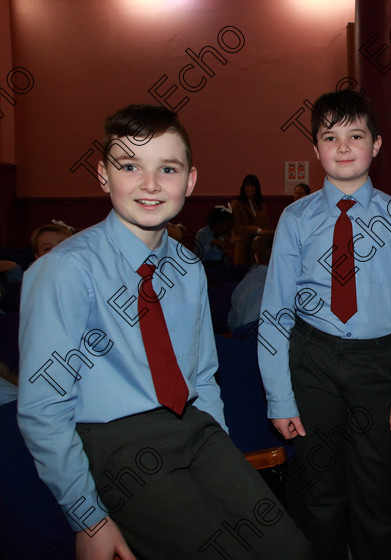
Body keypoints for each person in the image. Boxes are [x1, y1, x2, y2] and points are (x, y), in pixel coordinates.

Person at [16, 104, 310, 560]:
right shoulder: (65, 270)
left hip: (195, 425)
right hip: (118, 441)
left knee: (289, 549)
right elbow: (42, 408)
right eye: (130, 166)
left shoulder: (188, 266)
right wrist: (88, 518)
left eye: (167, 168)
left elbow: (204, 376)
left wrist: (222, 458)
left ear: (189, 181)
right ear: (103, 176)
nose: (150, 184)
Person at [258, 89, 391, 560]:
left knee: (375, 490)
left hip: (379, 364)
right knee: (319, 489)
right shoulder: (296, 219)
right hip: (311, 360)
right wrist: (279, 395)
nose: (342, 146)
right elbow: (276, 313)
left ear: (376, 145)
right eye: (329, 137)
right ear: (315, 149)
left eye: (355, 135)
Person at [228, 232, 273, 330]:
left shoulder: (249, 278)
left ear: (256, 258)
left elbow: (231, 317)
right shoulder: (269, 288)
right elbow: (250, 323)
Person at [231, 174, 270, 264]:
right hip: (243, 245)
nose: (249, 189)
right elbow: (237, 226)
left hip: (259, 246)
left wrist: (265, 233)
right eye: (247, 186)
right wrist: (257, 230)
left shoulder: (262, 205)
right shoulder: (237, 204)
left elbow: (266, 223)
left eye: (252, 186)